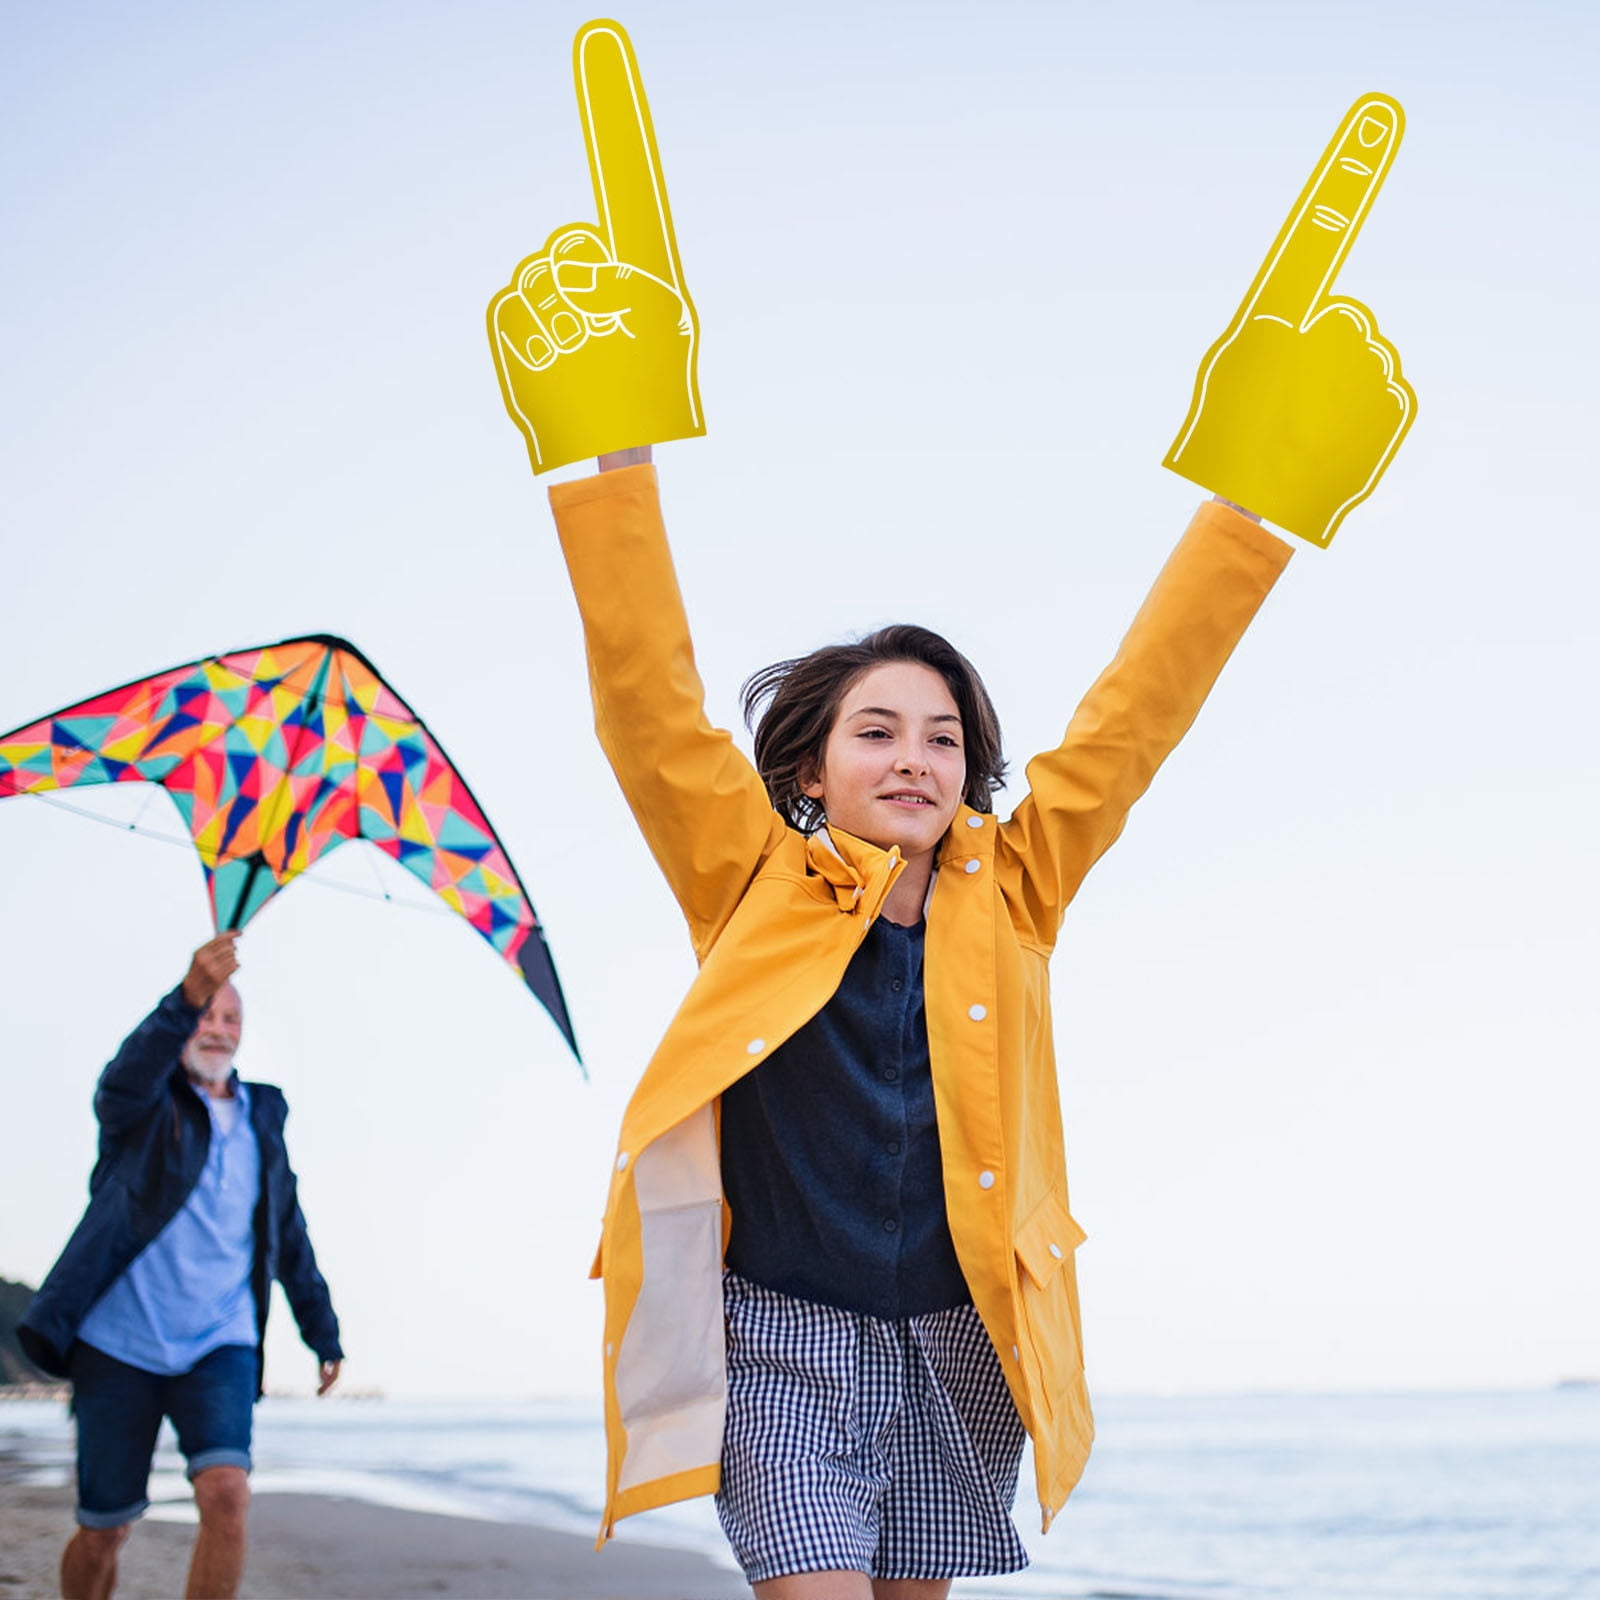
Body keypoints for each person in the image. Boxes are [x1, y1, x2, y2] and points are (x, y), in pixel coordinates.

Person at [543, 445, 1292, 1600]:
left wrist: (1249, 514)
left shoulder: (1018, 891)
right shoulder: (749, 879)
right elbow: (649, 714)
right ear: (810, 767)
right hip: (780, 1346)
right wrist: (619, 465)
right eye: (877, 731)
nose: (915, 758)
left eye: (943, 737)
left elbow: (1133, 720)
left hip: (958, 1349)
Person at [19, 932, 344, 1600]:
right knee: (105, 1528)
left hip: (218, 1342)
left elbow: (287, 1233)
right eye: (206, 1015)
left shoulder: (262, 1121)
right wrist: (185, 995)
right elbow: (121, 1079)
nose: (217, 1029)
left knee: (227, 1494)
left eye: (231, 1018)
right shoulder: (142, 1108)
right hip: (118, 1342)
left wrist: (323, 1331)